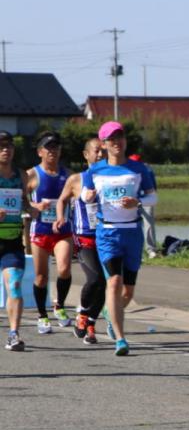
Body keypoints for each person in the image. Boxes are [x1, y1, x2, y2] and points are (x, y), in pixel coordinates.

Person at [81, 121, 158, 356]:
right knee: (113, 282)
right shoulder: (94, 171)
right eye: (111, 139)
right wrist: (89, 196)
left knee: (128, 292)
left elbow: (153, 198)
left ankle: (109, 313)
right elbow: (84, 196)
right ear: (104, 144)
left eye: (120, 137)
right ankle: (121, 339)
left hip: (132, 232)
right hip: (108, 232)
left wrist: (138, 202)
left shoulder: (139, 169)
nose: (117, 142)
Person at [55, 139, 105, 344]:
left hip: (107, 236)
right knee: (95, 280)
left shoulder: (111, 177)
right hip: (84, 238)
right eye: (96, 151)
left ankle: (90, 323)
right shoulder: (77, 179)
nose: (101, 154)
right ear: (86, 155)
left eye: (103, 151)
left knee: (106, 284)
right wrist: (61, 217)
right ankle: (83, 313)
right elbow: (62, 199)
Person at [26, 132, 72, 334]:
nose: (53, 151)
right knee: (41, 277)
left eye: (56, 147)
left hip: (63, 230)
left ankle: (59, 305)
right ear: (39, 152)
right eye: (48, 148)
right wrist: (34, 206)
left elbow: (79, 198)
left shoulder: (69, 175)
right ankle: (42, 315)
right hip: (40, 231)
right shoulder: (31, 175)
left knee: (64, 269)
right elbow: (19, 199)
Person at [0, 131, 30, 350]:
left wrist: (34, 209)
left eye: (9, 145)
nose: (5, 149)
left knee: (15, 285)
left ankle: (13, 334)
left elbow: (25, 203)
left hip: (11, 239)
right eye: (1, 146)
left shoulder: (21, 175)